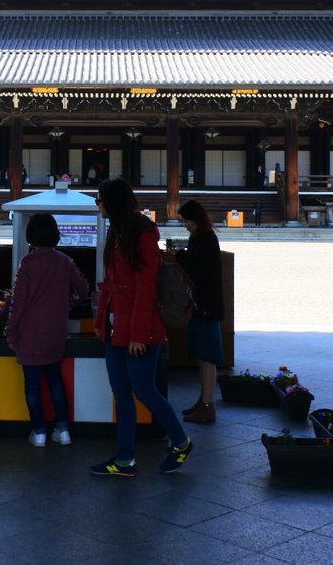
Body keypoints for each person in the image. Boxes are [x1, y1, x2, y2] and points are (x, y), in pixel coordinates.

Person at [91, 177, 193, 477]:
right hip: (115, 326)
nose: (97, 204)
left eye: (100, 199)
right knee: (121, 392)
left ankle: (181, 441)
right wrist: (101, 323)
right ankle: (124, 459)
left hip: (139, 330)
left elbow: (145, 287)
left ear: (113, 201)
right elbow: (111, 285)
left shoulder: (143, 233)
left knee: (145, 391)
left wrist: (139, 335)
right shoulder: (117, 232)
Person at [6, 213, 90, 447]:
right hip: (55, 333)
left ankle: (40, 432)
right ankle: (63, 431)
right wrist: (70, 301)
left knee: (32, 383)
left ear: (31, 235)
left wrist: (11, 332)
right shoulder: (64, 260)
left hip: (30, 334)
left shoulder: (28, 263)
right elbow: (83, 289)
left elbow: (18, 302)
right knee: (55, 379)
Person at [174, 199, 225, 424]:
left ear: (194, 218)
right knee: (205, 358)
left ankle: (207, 405)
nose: (184, 224)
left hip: (205, 306)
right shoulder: (204, 236)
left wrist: (178, 255)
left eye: (185, 220)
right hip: (205, 305)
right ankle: (203, 401)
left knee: (206, 358)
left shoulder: (204, 238)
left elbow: (196, 267)